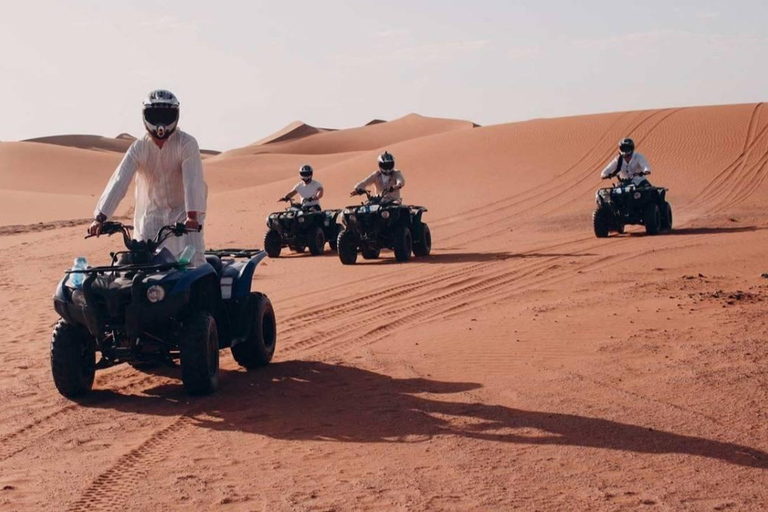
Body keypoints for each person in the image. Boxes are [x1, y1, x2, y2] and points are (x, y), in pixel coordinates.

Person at [88, 89, 208, 265]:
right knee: (142, 264)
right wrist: (100, 217)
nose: (161, 122)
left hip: (185, 215)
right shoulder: (139, 148)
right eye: (155, 115)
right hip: (152, 216)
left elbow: (192, 181)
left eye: (166, 115)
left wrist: (191, 217)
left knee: (193, 263)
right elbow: (120, 180)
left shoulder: (186, 143)